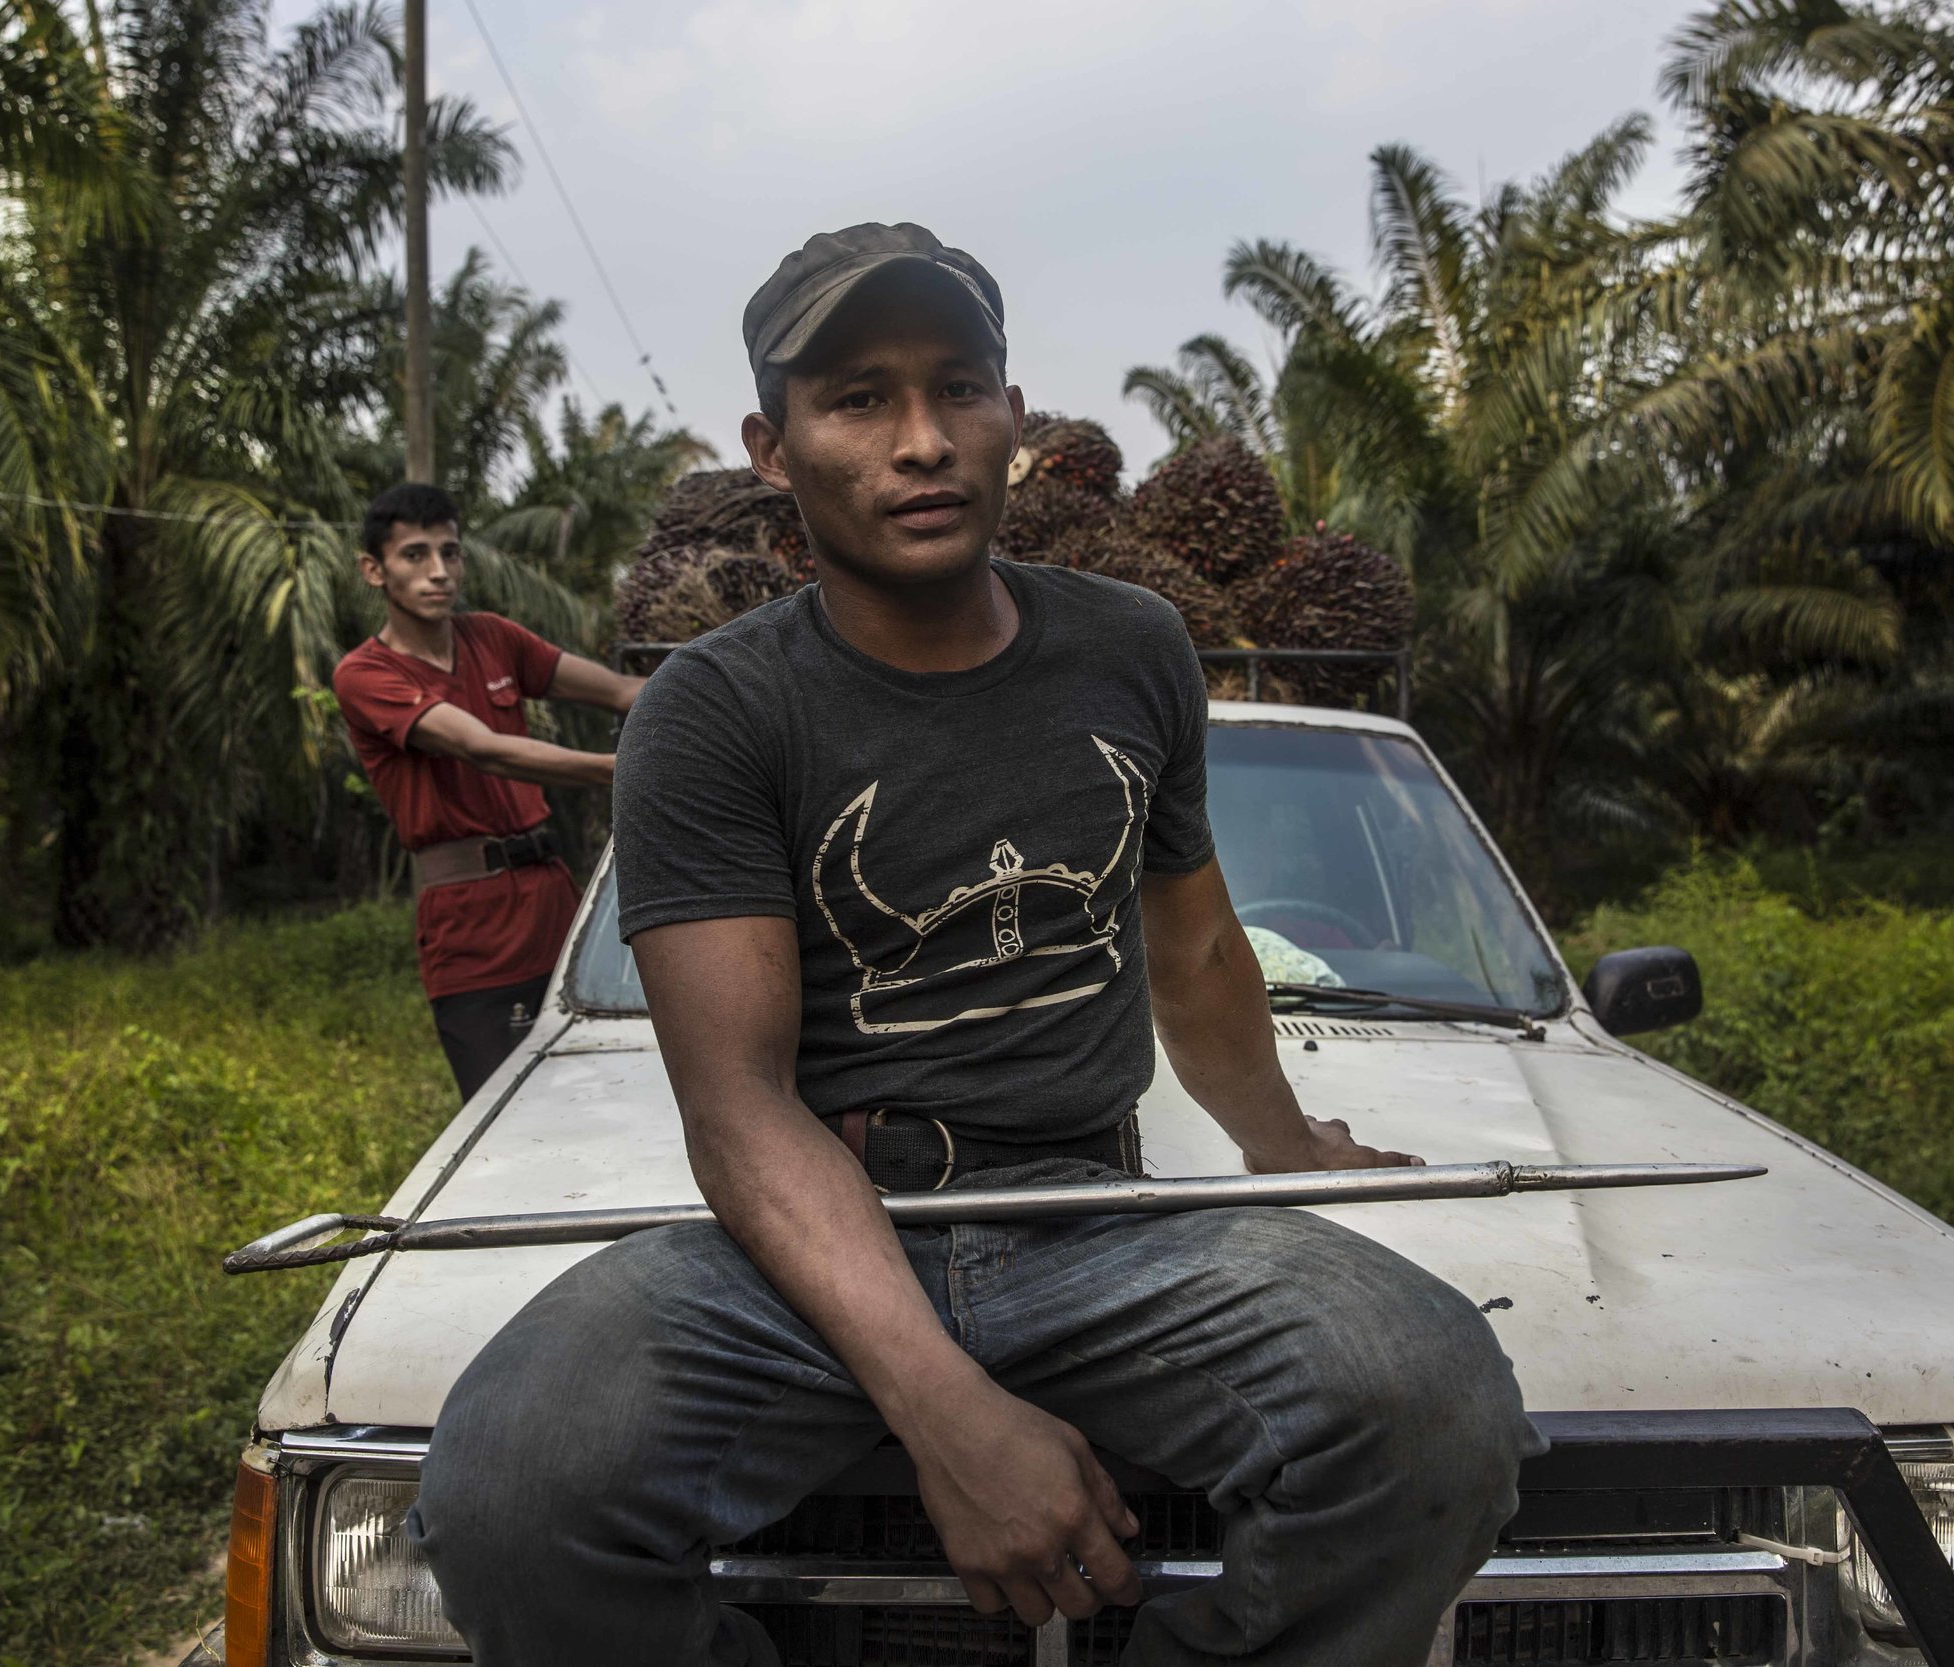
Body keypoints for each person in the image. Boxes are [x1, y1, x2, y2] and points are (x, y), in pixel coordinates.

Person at [407, 225, 1543, 1664]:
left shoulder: (1136, 647)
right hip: (813, 1241)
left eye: (961, 387)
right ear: (775, 444)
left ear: (1016, 413)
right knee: (508, 1487)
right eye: (860, 397)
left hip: (1091, 1218)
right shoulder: (711, 709)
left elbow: (1192, 954)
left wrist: (1284, 1144)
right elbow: (741, 1107)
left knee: (1434, 1399)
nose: (923, 440)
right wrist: (950, 1413)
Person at [333, 482, 642, 1103]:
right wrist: (633, 768)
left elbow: (616, 689)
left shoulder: (492, 638)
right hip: (469, 929)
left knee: (605, 1088)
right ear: (375, 569)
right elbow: (483, 748)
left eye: (451, 553)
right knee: (504, 1112)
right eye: (415, 555)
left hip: (553, 900)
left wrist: (731, 687)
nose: (439, 572)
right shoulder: (366, 674)